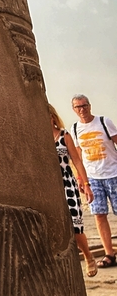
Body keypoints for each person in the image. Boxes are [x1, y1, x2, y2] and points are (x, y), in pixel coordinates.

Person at [47, 104, 97, 277]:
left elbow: (77, 161)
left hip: (67, 184)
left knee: (76, 224)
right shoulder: (39, 138)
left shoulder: (64, 135)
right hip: (50, 187)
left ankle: (88, 256)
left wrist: (87, 184)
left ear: (52, 116)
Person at [71, 95, 117, 268]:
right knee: (99, 215)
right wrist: (81, 179)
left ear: (90, 106)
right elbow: (78, 156)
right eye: (78, 107)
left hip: (113, 173)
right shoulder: (75, 129)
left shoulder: (104, 122)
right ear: (74, 110)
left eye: (84, 106)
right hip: (93, 177)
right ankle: (109, 254)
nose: (82, 110)